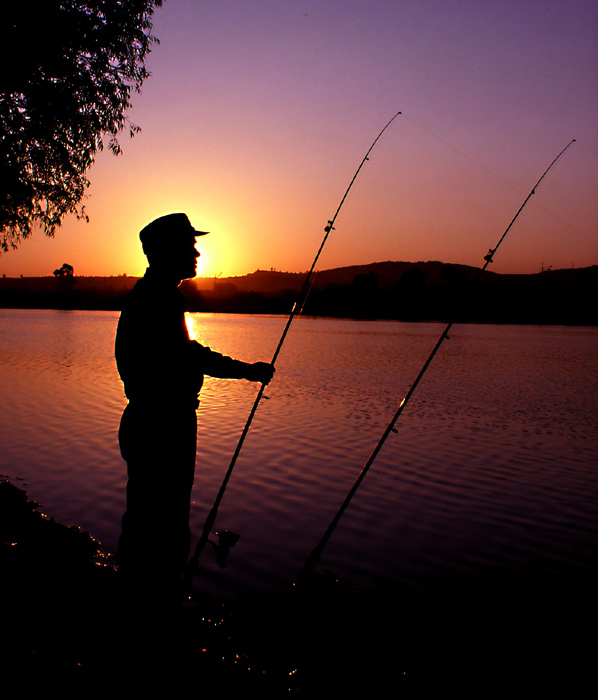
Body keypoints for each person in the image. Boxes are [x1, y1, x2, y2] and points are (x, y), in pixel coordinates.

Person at [115, 213, 274, 615]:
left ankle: (139, 606)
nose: (197, 251)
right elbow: (188, 355)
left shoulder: (155, 296)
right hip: (162, 427)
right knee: (162, 529)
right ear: (166, 251)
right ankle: (151, 614)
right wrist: (247, 371)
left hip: (154, 422)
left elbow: (181, 356)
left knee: (148, 524)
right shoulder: (157, 299)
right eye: (189, 246)